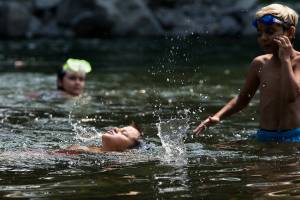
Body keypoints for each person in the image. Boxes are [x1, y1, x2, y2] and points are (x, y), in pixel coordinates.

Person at [193, 3, 300, 142]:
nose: (263, 38)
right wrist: (218, 116)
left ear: (290, 32)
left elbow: (290, 96)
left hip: (294, 138)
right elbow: (242, 99)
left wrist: (285, 60)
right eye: (259, 33)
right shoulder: (260, 64)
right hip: (265, 136)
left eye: (270, 31)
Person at [58, 123, 142, 154]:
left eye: (123, 133)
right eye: (119, 128)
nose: (115, 128)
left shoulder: (123, 160)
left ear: (129, 150)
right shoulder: (80, 149)